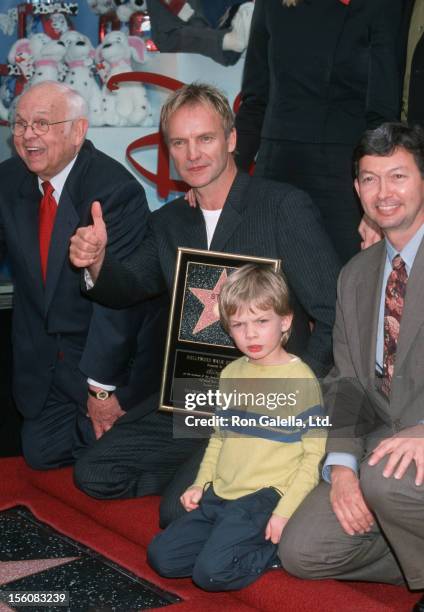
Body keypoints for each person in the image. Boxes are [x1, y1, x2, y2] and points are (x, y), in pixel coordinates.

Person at [69, 82, 340, 527]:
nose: (192, 153)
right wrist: (97, 262)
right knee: (94, 472)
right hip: (194, 402)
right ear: (170, 151)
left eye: (205, 138)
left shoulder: (283, 207)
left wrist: (293, 394)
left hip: (264, 404)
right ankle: (203, 470)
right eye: (180, 142)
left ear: (232, 140)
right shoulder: (171, 221)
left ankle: (251, 480)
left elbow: (333, 316)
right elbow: (127, 285)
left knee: (177, 512)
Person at [279, 122, 424, 611]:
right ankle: (409, 539)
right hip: (382, 444)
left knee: (385, 481)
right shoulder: (355, 274)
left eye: (398, 176)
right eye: (369, 179)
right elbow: (344, 384)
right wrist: (341, 469)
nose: (384, 193)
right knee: (301, 550)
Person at [0, 81, 166, 469]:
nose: (27, 136)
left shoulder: (114, 191)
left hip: (100, 359)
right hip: (41, 360)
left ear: (77, 131)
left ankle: (140, 424)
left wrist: (102, 391)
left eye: (41, 124)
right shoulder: (8, 181)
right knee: (39, 454)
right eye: (20, 124)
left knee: (101, 466)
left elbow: (120, 306)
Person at [147, 264, 326, 591]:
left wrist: (285, 511)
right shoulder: (231, 374)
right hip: (222, 493)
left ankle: (271, 553)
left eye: (261, 321)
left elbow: (313, 456)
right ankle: (224, 546)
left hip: (262, 498)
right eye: (239, 325)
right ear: (228, 329)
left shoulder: (301, 380)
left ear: (284, 322)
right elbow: (219, 439)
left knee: (209, 574)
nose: (251, 334)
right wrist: (200, 484)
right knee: (162, 557)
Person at [235, 0, 403, 263]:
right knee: (263, 293)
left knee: (342, 291)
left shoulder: (377, 5)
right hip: (275, 171)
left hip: (342, 181)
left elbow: (381, 115)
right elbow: (255, 101)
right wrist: (226, 173)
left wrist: (375, 199)